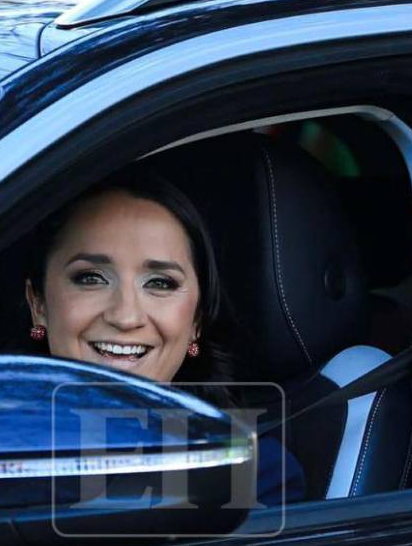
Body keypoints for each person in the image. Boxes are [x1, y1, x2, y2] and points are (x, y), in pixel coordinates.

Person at [23, 163, 304, 507]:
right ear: (38, 304)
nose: (125, 316)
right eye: (91, 278)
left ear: (197, 322)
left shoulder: (243, 474)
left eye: (160, 283)